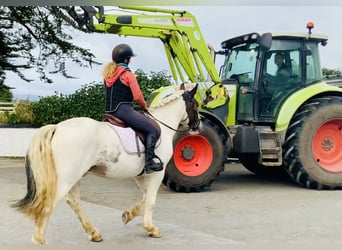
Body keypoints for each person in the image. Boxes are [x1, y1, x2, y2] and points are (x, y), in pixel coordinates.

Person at [102, 43, 163, 174]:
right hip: (123, 111)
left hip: (110, 112)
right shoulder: (128, 74)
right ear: (127, 59)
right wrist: (144, 106)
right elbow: (137, 96)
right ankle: (149, 162)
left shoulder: (108, 74)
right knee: (152, 129)